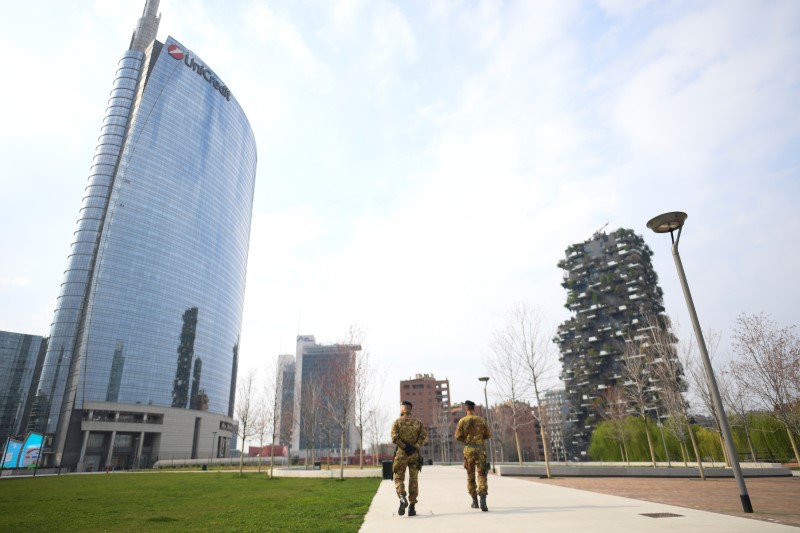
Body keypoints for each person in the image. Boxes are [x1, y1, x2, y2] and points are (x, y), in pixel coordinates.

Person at [391, 400, 428, 517]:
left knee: (398, 478)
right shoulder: (418, 423)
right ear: (410, 410)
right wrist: (415, 447)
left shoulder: (397, 422)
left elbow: (394, 438)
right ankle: (412, 507)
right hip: (414, 455)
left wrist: (404, 447)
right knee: (413, 481)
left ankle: (402, 497)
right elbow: (423, 437)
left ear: (402, 409)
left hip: (401, 454)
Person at [454, 400, 492, 511]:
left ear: (466, 408)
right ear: (474, 408)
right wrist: (479, 439)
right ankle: (483, 498)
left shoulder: (462, 421)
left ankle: (475, 501)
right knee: (482, 474)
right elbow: (488, 434)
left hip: (469, 450)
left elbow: (457, 436)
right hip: (480, 450)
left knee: (470, 476)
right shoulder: (481, 420)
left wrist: (466, 440)